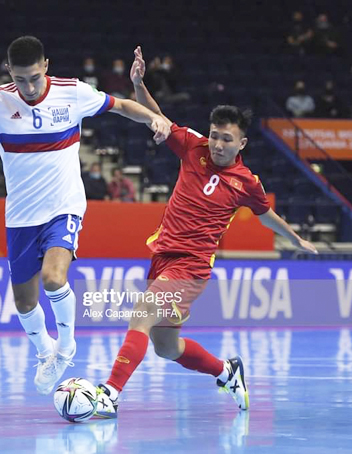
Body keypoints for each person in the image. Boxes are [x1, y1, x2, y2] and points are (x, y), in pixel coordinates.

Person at [0, 36, 170, 395]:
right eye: (21, 79)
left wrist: (154, 119)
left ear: (46, 66)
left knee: (53, 278)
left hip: (63, 206)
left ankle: (66, 345)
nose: (30, 87)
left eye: (35, 77)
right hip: (21, 214)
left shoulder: (73, 92)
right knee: (24, 301)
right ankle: (45, 352)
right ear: (9, 73)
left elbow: (123, 107)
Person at [94, 46, 318, 418]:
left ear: (242, 144)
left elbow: (266, 216)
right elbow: (157, 118)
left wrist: (294, 239)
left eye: (226, 140)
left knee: (142, 313)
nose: (217, 144)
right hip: (164, 255)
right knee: (166, 346)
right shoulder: (193, 147)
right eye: (215, 136)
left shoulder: (247, 182)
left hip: (192, 266)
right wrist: (138, 83)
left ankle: (110, 393)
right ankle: (226, 371)